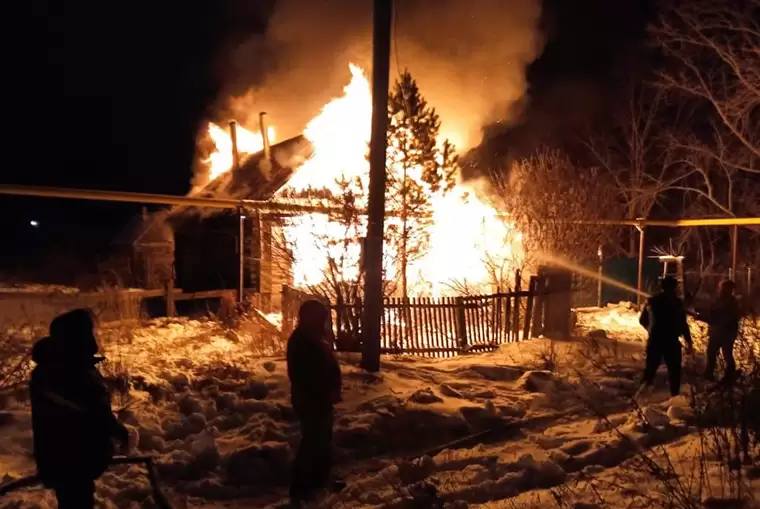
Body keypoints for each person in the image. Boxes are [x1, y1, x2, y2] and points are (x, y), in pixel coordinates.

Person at [30, 309, 129, 509]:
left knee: (74, 499)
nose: (95, 337)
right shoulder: (68, 371)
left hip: (65, 459)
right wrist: (119, 432)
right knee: (76, 501)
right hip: (72, 460)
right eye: (91, 332)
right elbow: (94, 412)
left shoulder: (61, 366)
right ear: (78, 337)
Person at [286, 300, 342, 508]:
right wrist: (320, 391)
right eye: (320, 319)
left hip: (321, 399)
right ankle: (300, 489)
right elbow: (302, 374)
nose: (323, 323)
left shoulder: (317, 339)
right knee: (312, 442)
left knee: (323, 440)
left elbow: (329, 364)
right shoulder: (301, 342)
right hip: (311, 400)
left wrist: (333, 387)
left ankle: (319, 482)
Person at [637, 276, 693, 398]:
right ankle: (674, 397)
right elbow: (683, 323)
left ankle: (639, 396)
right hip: (671, 342)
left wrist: (651, 330)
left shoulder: (651, 301)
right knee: (674, 371)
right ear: (674, 287)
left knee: (650, 369)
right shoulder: (677, 303)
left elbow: (642, 320)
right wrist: (688, 340)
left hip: (655, 341)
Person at [697, 279, 741, 383]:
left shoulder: (729, 303)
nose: (719, 289)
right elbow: (712, 313)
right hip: (717, 332)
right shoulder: (720, 300)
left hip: (725, 333)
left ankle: (729, 374)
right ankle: (709, 373)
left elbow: (718, 318)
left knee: (726, 354)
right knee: (711, 353)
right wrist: (702, 314)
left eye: (721, 287)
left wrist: (704, 317)